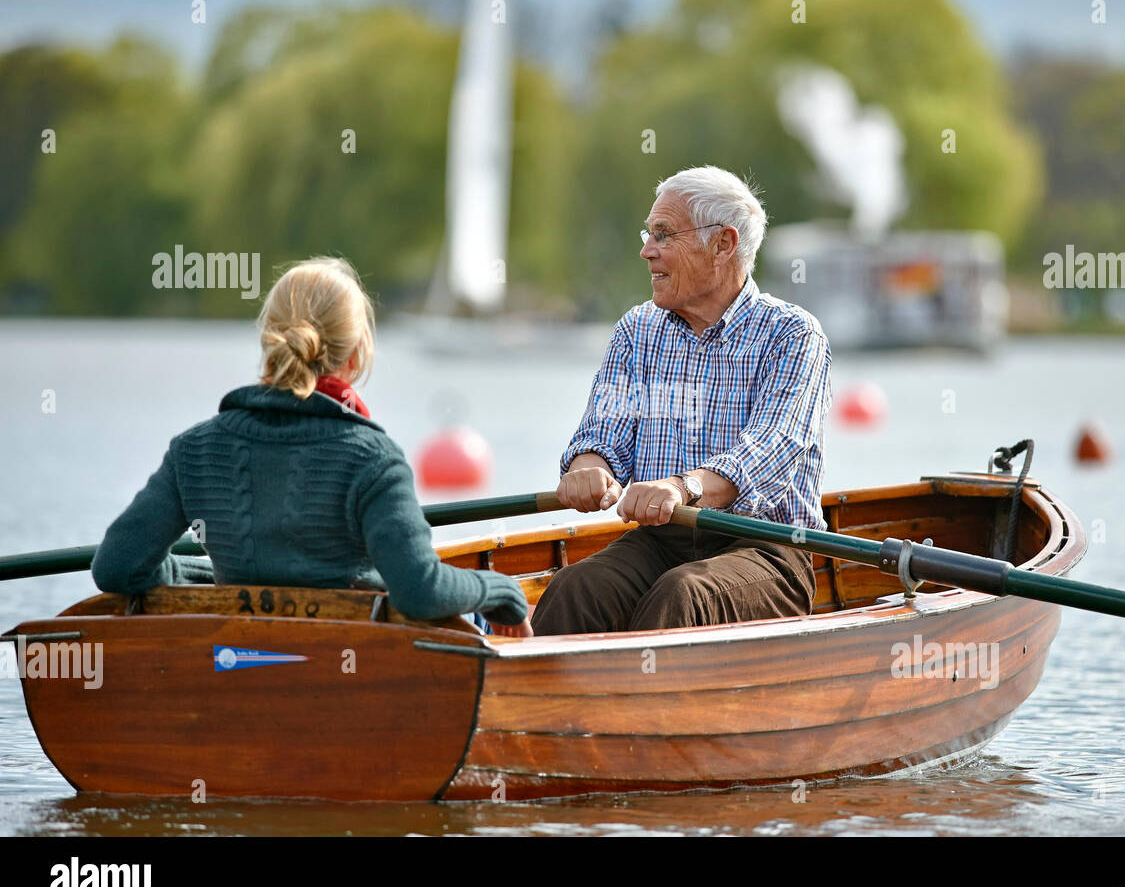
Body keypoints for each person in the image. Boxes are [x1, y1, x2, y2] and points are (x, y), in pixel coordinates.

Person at [90, 257, 528, 632]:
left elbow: (118, 567)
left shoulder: (194, 449)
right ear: (355, 357)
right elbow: (419, 592)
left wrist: (200, 578)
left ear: (268, 344)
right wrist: (502, 591)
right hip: (350, 675)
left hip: (238, 661)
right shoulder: (373, 459)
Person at [530, 166, 832, 635]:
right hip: (661, 540)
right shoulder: (637, 329)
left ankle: (642, 708)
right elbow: (603, 433)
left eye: (664, 235)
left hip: (767, 548)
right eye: (649, 234)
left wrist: (681, 487)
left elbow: (774, 445)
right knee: (574, 589)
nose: (646, 250)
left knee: (683, 594)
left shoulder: (793, 334)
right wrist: (588, 469)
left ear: (724, 245)